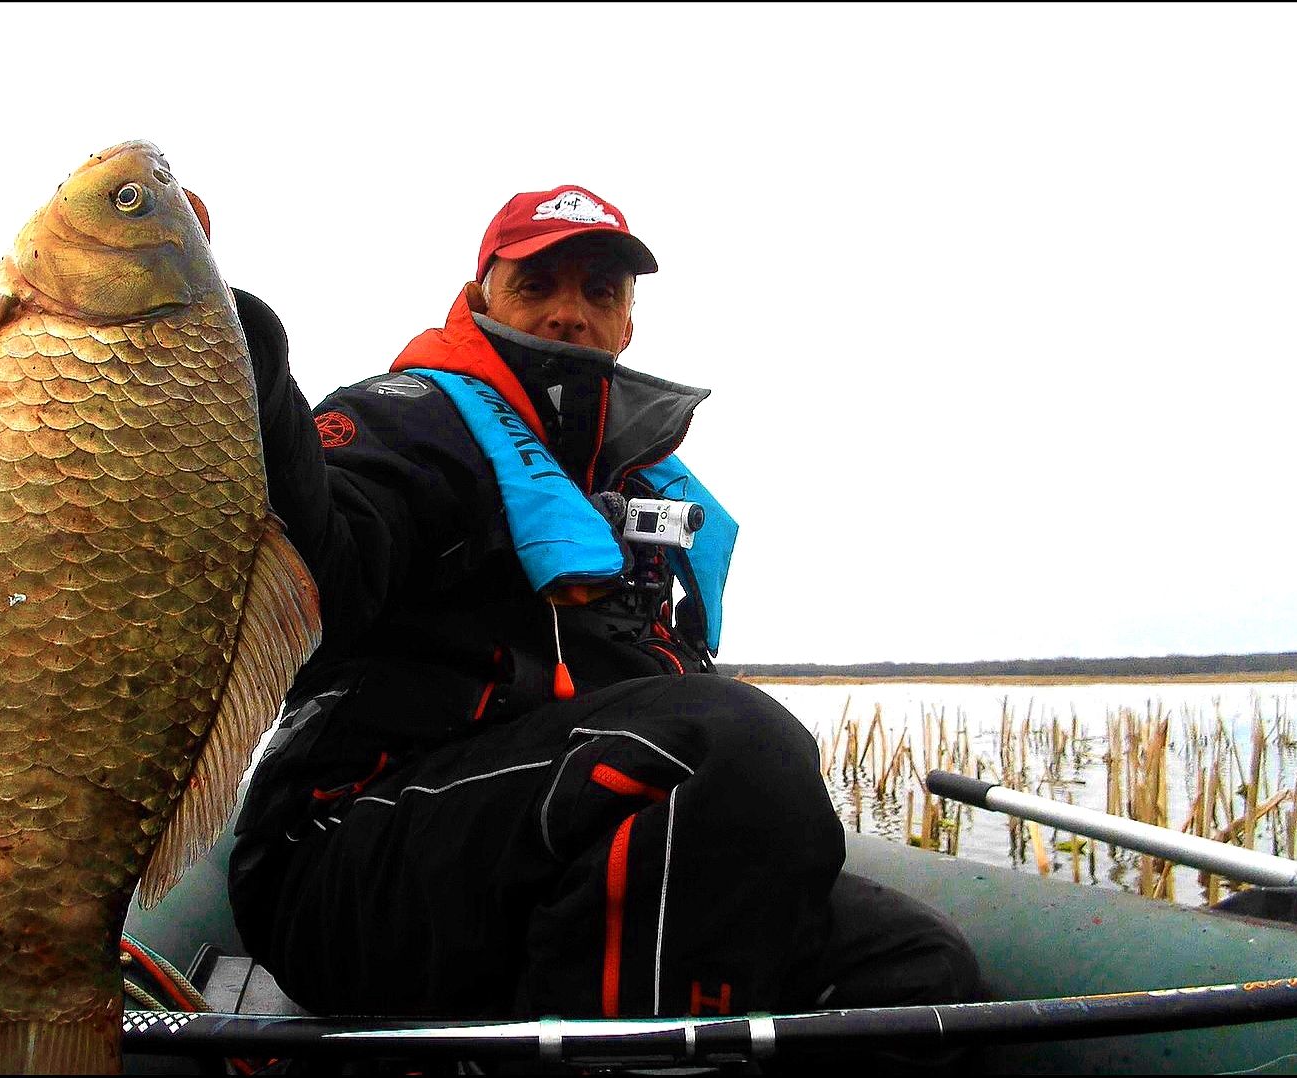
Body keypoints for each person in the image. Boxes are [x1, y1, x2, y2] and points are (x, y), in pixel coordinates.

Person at [225, 185, 982, 1031]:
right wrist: (240, 369)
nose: (568, 315)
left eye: (598, 291)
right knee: (731, 743)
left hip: (551, 865)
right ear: (479, 299)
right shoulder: (409, 423)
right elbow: (325, 558)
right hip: (342, 863)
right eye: (536, 285)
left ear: (629, 322)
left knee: (920, 975)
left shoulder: (627, 476)